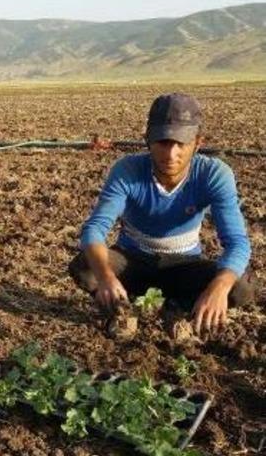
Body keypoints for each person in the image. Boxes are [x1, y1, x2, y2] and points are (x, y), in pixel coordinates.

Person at [69, 93, 256, 335]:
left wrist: (219, 286)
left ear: (198, 143)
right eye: (163, 142)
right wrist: (106, 277)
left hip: (184, 265)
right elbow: (94, 229)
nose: (171, 154)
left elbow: (237, 242)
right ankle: (123, 311)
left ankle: (180, 311)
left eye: (181, 143)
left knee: (241, 286)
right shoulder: (128, 171)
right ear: (147, 140)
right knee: (86, 264)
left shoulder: (213, 175)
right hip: (133, 263)